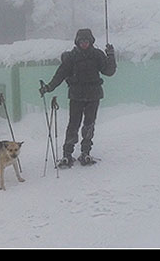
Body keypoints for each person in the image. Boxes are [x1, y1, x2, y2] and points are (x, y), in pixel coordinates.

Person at [39, 28, 116, 167]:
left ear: (91, 41)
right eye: (81, 41)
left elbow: (109, 71)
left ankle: (85, 152)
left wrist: (111, 55)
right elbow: (60, 74)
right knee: (73, 125)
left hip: (93, 95)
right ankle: (67, 154)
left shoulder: (98, 55)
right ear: (77, 42)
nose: (84, 44)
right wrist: (49, 87)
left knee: (89, 125)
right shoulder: (71, 57)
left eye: (86, 41)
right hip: (76, 96)